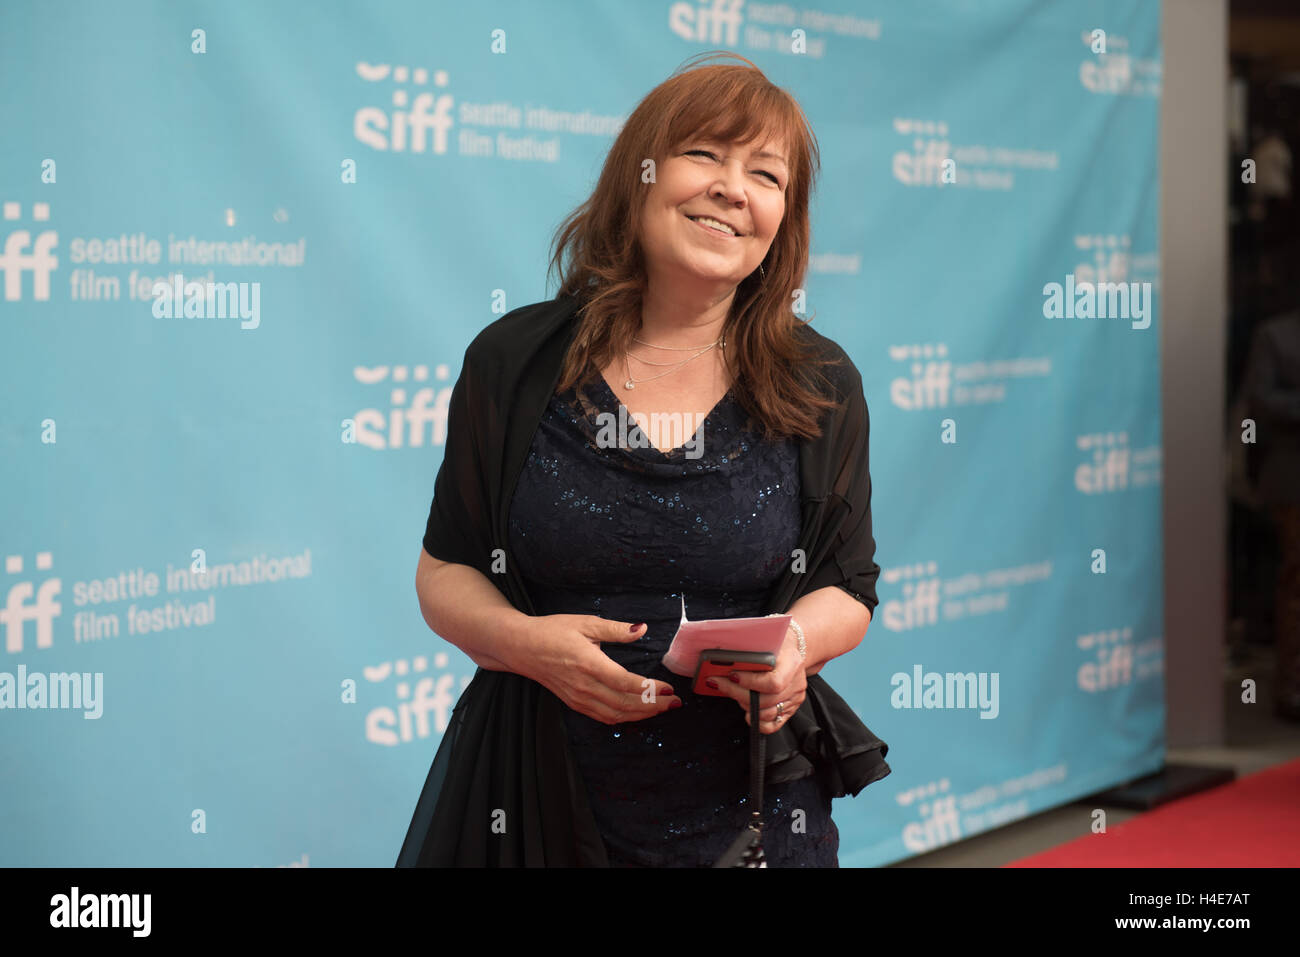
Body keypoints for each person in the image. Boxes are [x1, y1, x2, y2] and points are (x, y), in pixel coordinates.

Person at [397, 51, 889, 868]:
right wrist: (526, 644)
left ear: (782, 221)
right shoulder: (513, 362)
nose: (734, 187)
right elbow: (445, 573)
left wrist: (797, 643)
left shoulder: (820, 381)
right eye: (705, 154)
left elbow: (849, 585)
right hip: (539, 797)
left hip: (753, 809)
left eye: (765, 175)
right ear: (643, 174)